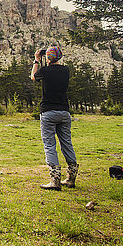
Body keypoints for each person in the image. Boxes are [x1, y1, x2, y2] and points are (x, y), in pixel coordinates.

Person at [30, 46, 79, 190]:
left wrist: (37, 60)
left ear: (48, 58)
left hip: (48, 112)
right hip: (64, 112)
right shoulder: (65, 70)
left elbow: (33, 76)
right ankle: (71, 178)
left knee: (50, 145)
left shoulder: (45, 71)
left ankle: (55, 181)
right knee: (67, 144)